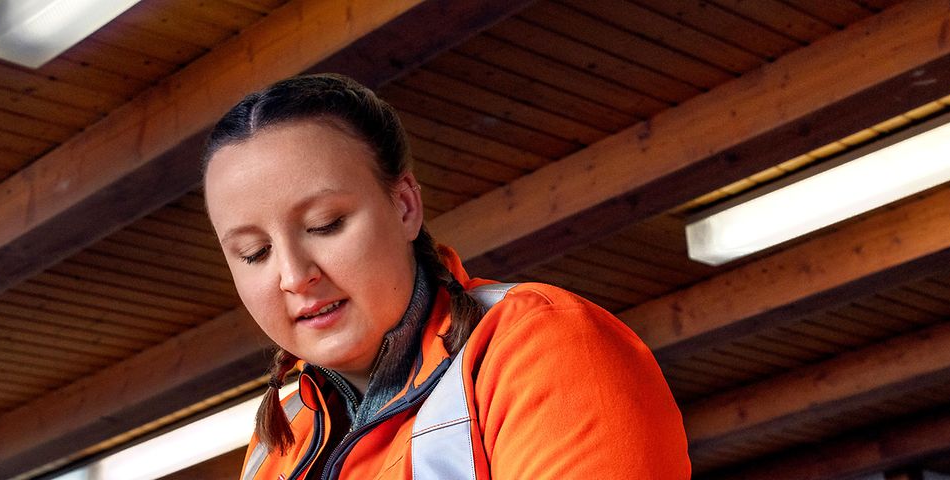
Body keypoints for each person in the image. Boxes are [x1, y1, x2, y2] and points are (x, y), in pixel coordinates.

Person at [201, 73, 690, 480]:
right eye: (254, 253)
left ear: (405, 205)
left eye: (324, 225)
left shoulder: (539, 347)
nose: (293, 275)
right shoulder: (277, 444)